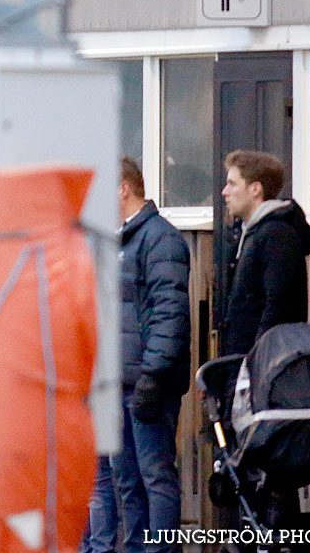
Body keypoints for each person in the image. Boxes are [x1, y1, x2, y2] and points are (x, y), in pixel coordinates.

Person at [107, 158, 190, 553]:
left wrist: (153, 376)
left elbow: (169, 313)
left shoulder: (160, 239)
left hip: (147, 384)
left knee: (155, 476)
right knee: (126, 481)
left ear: (124, 188)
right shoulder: (121, 239)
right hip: (118, 384)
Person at [220, 150, 310, 356]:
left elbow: (279, 307)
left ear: (255, 189)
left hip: (262, 369)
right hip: (242, 364)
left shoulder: (277, 235)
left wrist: (256, 362)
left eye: (232, 184)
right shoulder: (249, 233)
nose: (224, 191)